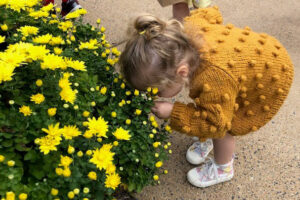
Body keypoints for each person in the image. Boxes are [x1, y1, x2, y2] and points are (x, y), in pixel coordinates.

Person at [119, 6, 294, 188]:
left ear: (182, 72)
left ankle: (223, 168)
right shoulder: (188, 31)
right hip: (259, 50)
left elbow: (216, 124)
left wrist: (173, 111)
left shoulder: (214, 78)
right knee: (215, 105)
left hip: (271, 76)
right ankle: (206, 140)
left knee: (225, 127)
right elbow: (210, 12)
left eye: (157, 91)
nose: (154, 95)